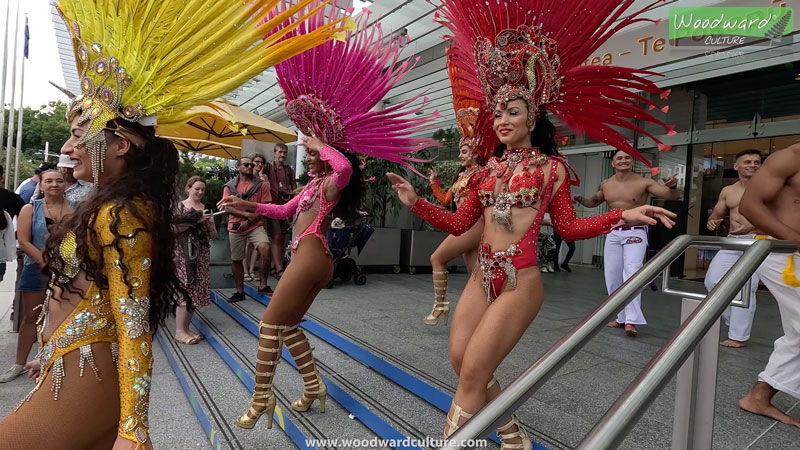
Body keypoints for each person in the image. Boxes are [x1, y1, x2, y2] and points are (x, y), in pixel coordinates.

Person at [0, 0, 344, 447]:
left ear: (121, 145)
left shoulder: (122, 214)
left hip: (85, 373)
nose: (68, 147)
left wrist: (135, 427)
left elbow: (134, 322)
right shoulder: (110, 206)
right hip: (68, 362)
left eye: (81, 134)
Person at [390, 1, 677, 447]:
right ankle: (513, 437)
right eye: (498, 113)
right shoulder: (486, 170)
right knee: (461, 363)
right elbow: (461, 220)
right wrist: (417, 203)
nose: (503, 120)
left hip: (519, 283)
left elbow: (568, 228)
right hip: (482, 276)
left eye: (513, 112)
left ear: (533, 116)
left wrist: (621, 215)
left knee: (470, 379)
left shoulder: (552, 169)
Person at [218, 4, 436, 432]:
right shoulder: (312, 189)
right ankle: (314, 385)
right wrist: (246, 206)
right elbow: (281, 210)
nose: (309, 154)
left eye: (311, 150)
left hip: (311, 256)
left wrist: (322, 142)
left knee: (268, 324)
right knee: (290, 324)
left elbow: (345, 168)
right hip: (312, 256)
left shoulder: (332, 183)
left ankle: (261, 397)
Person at [574, 151, 680, 337]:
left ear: (632, 162)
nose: (624, 160)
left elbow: (670, 195)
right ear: (613, 163)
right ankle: (620, 316)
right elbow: (593, 202)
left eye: (627, 158)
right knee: (612, 275)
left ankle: (632, 319)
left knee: (632, 272)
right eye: (619, 158)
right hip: (614, 232)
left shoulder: (644, 182)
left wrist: (673, 186)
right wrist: (580, 199)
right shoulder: (606, 184)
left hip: (636, 231)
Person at [738, 144, 800, 428]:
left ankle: (759, 396)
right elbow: (749, 206)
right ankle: (758, 396)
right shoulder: (791, 157)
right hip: (783, 255)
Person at [0, 170, 70, 383]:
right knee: (31, 317)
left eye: (59, 180)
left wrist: (65, 265)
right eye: (49, 181)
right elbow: (24, 240)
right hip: (36, 268)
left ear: (65, 184)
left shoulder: (76, 209)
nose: (54, 185)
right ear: (41, 184)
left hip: (69, 270)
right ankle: (19, 363)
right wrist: (46, 262)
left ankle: (58, 359)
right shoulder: (30, 209)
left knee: (63, 316)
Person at [704, 149, 763, 348]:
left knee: (746, 288)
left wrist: (754, 226)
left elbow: (779, 217)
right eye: (747, 161)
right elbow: (717, 214)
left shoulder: (769, 188)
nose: (752, 165)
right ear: (736, 166)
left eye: (756, 162)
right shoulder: (728, 191)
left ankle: (738, 336)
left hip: (757, 241)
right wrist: (712, 221)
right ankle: (733, 319)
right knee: (712, 282)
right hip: (732, 241)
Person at [222, 155, 273, 301]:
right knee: (236, 259)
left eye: (251, 165)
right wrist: (245, 215)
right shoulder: (229, 186)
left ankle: (263, 285)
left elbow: (265, 207)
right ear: (238, 167)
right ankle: (240, 291)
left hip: (255, 224)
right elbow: (227, 208)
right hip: (236, 226)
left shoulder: (261, 184)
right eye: (246, 165)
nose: (250, 167)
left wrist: (250, 221)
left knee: (265, 248)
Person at [173, 176, 217, 345]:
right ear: (188, 188)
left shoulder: (206, 209)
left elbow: (212, 235)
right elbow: (172, 229)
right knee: (185, 290)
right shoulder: (180, 207)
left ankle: (185, 328)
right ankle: (179, 331)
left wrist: (210, 224)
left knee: (195, 292)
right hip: (183, 254)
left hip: (201, 254)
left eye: (202, 190)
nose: (200, 192)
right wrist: (195, 221)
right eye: (197, 188)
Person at [264, 143, 297, 278]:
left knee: (282, 238)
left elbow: (294, 187)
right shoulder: (267, 168)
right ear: (274, 153)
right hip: (271, 207)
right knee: (276, 236)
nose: (282, 155)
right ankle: (278, 268)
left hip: (285, 207)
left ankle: (274, 266)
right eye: (280, 152)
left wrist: (291, 195)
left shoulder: (289, 170)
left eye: (285, 152)